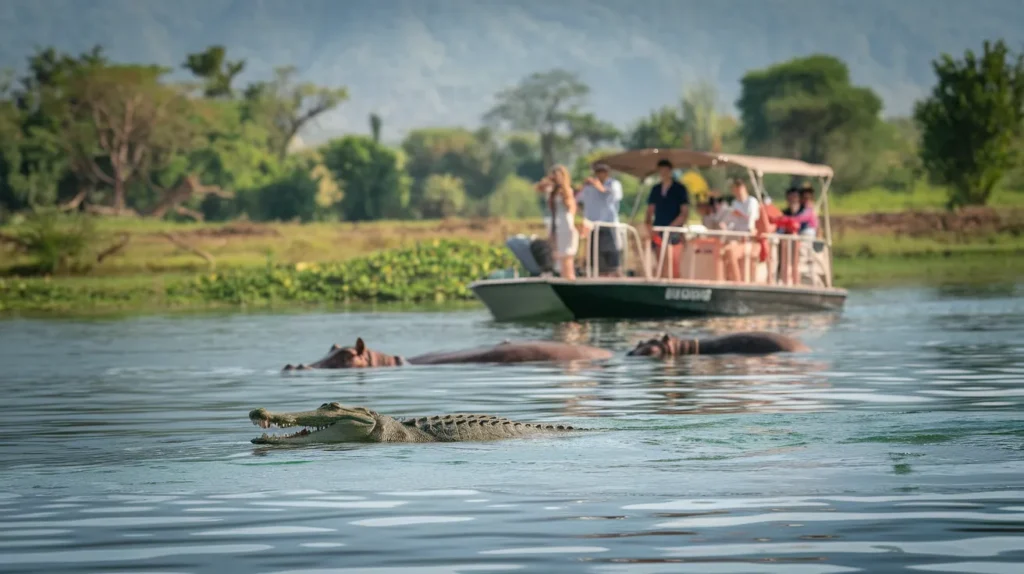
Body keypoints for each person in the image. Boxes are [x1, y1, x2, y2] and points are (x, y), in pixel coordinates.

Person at [645, 159, 689, 277]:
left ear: (670, 171)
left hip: (675, 231)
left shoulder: (679, 189)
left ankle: (675, 284)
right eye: (661, 170)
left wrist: (671, 227)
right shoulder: (656, 189)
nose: (663, 173)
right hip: (659, 229)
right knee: (661, 263)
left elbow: (684, 213)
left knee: (674, 263)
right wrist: (649, 226)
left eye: (665, 170)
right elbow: (650, 210)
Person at [578, 163, 623, 276]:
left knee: (612, 254)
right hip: (593, 226)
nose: (600, 174)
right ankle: (599, 275)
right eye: (598, 172)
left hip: (609, 225)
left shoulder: (614, 184)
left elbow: (614, 195)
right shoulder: (589, 187)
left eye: (603, 171)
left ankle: (615, 274)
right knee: (596, 256)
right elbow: (577, 200)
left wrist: (599, 187)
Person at [535, 165, 579, 279]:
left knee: (566, 256)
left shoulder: (567, 191)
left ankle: (570, 278)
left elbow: (570, 207)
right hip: (556, 224)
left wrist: (562, 188)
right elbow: (538, 188)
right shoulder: (552, 191)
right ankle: (563, 277)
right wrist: (549, 180)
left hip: (565, 223)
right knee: (558, 254)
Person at [720, 178, 760, 282]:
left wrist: (750, 229)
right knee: (724, 251)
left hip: (748, 238)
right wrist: (726, 227)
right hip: (737, 237)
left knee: (731, 252)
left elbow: (751, 219)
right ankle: (730, 278)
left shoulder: (752, 201)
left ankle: (738, 280)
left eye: (738, 189)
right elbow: (732, 221)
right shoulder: (735, 203)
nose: (737, 192)